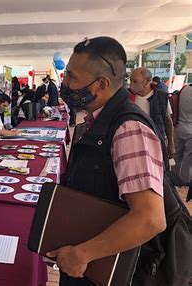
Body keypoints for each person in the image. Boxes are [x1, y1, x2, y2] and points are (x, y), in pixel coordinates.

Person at [54, 37, 167, 285]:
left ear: (101, 84)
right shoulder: (100, 120)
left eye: (71, 77)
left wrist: (83, 253)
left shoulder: (128, 129)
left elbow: (150, 218)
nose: (65, 84)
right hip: (92, 266)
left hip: (105, 270)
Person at [130, 67, 175, 157]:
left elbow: (167, 121)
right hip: (133, 143)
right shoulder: (127, 97)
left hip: (156, 143)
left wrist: (171, 143)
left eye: (135, 81)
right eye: (130, 80)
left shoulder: (162, 97)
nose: (131, 84)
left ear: (147, 81)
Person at [172, 85, 192, 201]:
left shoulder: (184, 89)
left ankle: (174, 178)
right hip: (190, 130)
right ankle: (184, 180)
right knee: (188, 158)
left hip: (179, 128)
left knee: (177, 154)